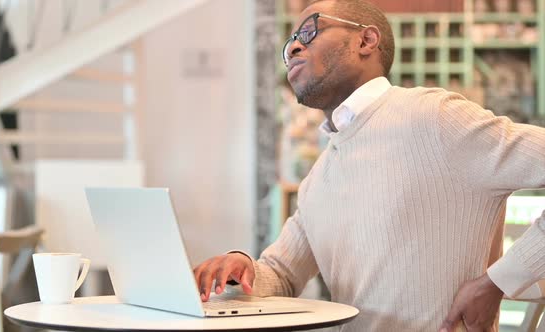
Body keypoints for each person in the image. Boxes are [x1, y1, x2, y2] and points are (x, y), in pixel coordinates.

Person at [193, 0, 545, 331]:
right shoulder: (319, 176)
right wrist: (242, 268)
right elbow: (282, 273)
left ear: (366, 39)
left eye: (309, 32)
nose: (294, 49)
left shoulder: (433, 117)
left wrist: (499, 281)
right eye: (289, 45)